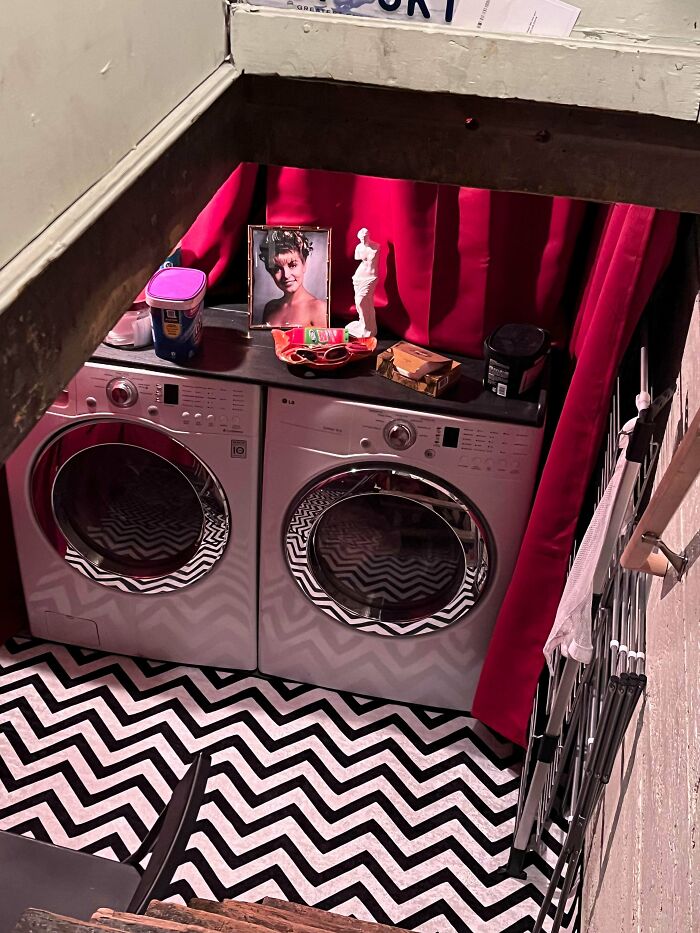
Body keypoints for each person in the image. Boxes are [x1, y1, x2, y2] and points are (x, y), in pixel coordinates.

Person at [258, 229, 328, 327]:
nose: (286, 275)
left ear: (304, 265)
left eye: (292, 265)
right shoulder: (270, 308)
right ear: (270, 271)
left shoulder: (319, 308)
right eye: (277, 268)